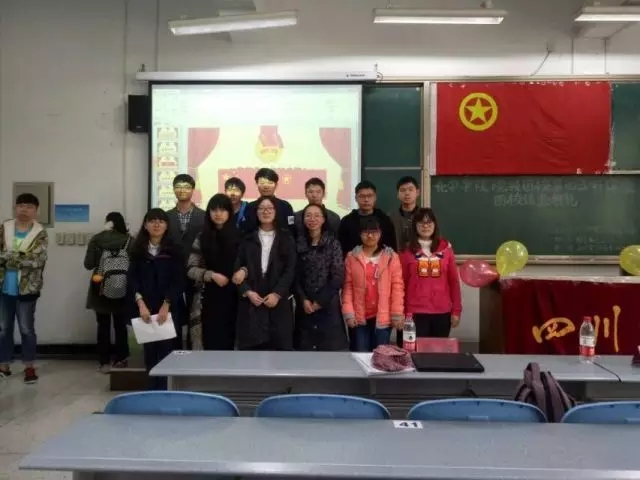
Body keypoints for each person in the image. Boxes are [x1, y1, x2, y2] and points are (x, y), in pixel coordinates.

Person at [128, 208, 185, 390]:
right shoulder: (137, 250)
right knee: (150, 354)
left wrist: (167, 304)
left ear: (166, 226)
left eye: (161, 221)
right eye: (152, 221)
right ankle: (152, 391)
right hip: (145, 309)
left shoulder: (174, 250)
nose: (157, 224)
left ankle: (167, 391)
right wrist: (140, 303)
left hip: (169, 309)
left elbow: (178, 280)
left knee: (168, 353)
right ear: (145, 225)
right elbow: (132, 279)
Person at [232, 196, 296, 350]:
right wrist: (247, 292)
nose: (265, 211)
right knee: (252, 354)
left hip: (278, 302)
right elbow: (237, 268)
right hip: (252, 301)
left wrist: (277, 294)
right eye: (261, 208)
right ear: (256, 212)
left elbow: (291, 269)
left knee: (279, 352)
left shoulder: (286, 237)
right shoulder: (247, 238)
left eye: (270, 208)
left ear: (276, 211)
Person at [0, 193, 48, 383]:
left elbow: (38, 260)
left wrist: (10, 257)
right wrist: (20, 257)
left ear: (36, 210)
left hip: (28, 288)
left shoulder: (40, 232)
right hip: (4, 287)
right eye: (21, 206)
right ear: (15, 208)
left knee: (27, 329)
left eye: (29, 207)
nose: (24, 210)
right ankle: (4, 365)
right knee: (4, 329)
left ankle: (29, 366)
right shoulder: (4, 228)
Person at [342, 216, 404, 352]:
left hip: (383, 317)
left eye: (374, 232)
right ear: (360, 234)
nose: (370, 236)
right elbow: (348, 288)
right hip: (359, 318)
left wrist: (397, 313)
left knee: (381, 356)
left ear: (380, 233)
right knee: (360, 355)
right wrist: (349, 313)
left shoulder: (391, 257)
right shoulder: (352, 257)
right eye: (366, 232)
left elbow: (397, 287)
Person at [187, 194, 239, 350]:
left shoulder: (240, 236)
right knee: (209, 342)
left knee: (232, 343)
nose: (218, 214)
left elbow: (249, 265)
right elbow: (190, 269)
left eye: (222, 210)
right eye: (214, 210)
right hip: (207, 298)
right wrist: (211, 275)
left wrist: (243, 271)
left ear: (229, 212)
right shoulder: (201, 237)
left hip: (235, 297)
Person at [400, 208, 462, 338]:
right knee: (415, 350)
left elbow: (454, 282)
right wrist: (401, 311)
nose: (425, 226)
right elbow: (401, 284)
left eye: (429, 222)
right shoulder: (407, 251)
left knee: (438, 350)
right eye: (421, 223)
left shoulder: (446, 248)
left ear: (435, 225)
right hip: (415, 312)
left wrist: (456, 310)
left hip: (442, 312)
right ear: (415, 226)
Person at [83, 212, 133, 373]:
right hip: (123, 286)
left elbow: (88, 264)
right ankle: (121, 359)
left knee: (103, 326)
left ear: (107, 223)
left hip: (100, 287)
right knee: (120, 325)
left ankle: (104, 362)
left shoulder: (97, 239)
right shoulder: (129, 240)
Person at [295, 204, 347, 351]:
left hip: (328, 304)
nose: (312, 219)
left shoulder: (333, 243)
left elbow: (338, 276)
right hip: (304, 305)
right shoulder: (298, 243)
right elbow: (295, 276)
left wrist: (319, 301)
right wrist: (303, 299)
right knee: (304, 349)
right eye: (308, 215)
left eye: (317, 215)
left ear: (324, 219)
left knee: (329, 350)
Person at [166, 173, 205, 347]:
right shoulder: (165, 216)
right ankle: (172, 352)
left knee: (194, 315)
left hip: (195, 272)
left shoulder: (204, 216)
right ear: (173, 189)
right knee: (172, 314)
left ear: (193, 190)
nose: (182, 190)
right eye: (178, 187)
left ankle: (192, 351)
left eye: (186, 187)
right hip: (171, 273)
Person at [338, 180, 397, 256]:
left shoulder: (385, 220)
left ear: (375, 197)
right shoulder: (346, 221)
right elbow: (342, 249)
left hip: (381, 261)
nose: (366, 200)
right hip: (354, 260)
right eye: (362, 196)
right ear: (356, 198)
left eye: (370, 196)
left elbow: (391, 247)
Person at [243, 168, 296, 236]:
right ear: (256, 183)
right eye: (262, 183)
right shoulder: (250, 207)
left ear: (276, 185)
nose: (266, 186)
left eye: (270, 183)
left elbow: (291, 226)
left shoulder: (286, 206)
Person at [391, 176, 420, 251]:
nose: (407, 193)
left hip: (420, 257)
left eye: (410, 189)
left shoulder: (424, 216)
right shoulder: (390, 218)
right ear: (397, 194)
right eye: (403, 190)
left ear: (417, 192)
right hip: (396, 256)